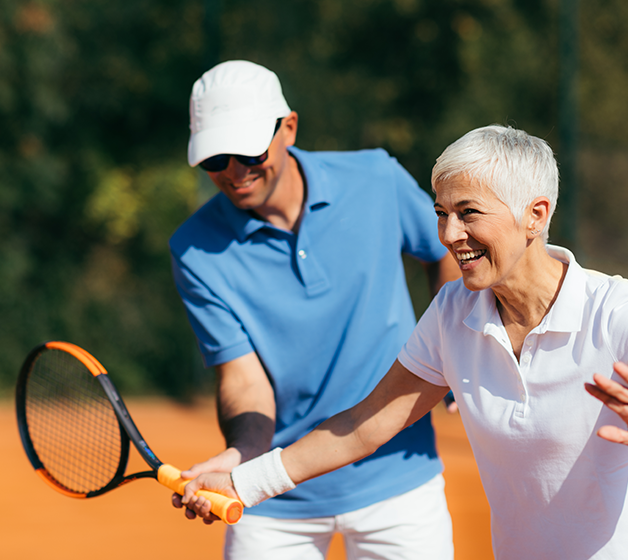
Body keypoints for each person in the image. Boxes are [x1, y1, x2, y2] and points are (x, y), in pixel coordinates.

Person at [180, 125, 628, 559]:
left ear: (535, 215)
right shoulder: (453, 314)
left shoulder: (612, 307)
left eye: (468, 213)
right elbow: (364, 425)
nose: (450, 235)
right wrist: (243, 482)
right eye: (441, 214)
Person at [168, 60, 461, 559]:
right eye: (216, 159)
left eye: (248, 151)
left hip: (399, 477)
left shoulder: (376, 178)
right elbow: (243, 379)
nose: (234, 172)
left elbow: (446, 252)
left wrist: (452, 346)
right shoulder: (194, 249)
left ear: (289, 128)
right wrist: (243, 455)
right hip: (273, 495)